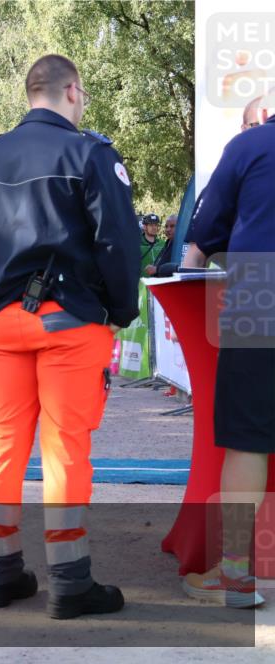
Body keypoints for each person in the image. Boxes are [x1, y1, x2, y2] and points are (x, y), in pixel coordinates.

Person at [0, 54, 140, 619]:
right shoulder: (90, 153)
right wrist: (118, 311)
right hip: (70, 322)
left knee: (3, 444)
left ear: (30, 92)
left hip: (4, 326)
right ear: (73, 92)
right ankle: (70, 581)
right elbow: (118, 243)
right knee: (65, 450)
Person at [180, 100, 275, 609]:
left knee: (247, 439)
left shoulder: (249, 145)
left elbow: (200, 242)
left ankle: (237, 576)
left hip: (262, 293)